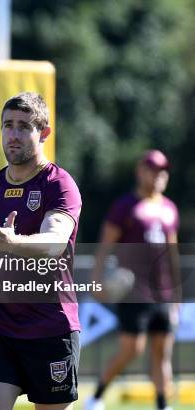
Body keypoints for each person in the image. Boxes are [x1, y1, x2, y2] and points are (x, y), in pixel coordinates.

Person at [0, 92, 82, 410]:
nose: (14, 134)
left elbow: (54, 243)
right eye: (8, 125)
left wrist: (14, 243)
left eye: (24, 126)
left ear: (44, 132)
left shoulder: (59, 185)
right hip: (0, 330)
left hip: (51, 328)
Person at [86, 150, 180, 410]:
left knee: (163, 353)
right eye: (153, 169)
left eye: (163, 171)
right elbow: (105, 247)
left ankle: (162, 405)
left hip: (163, 294)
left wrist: (176, 298)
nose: (159, 175)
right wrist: (97, 282)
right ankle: (96, 397)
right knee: (132, 351)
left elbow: (172, 253)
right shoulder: (125, 206)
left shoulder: (169, 209)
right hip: (133, 293)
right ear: (141, 171)